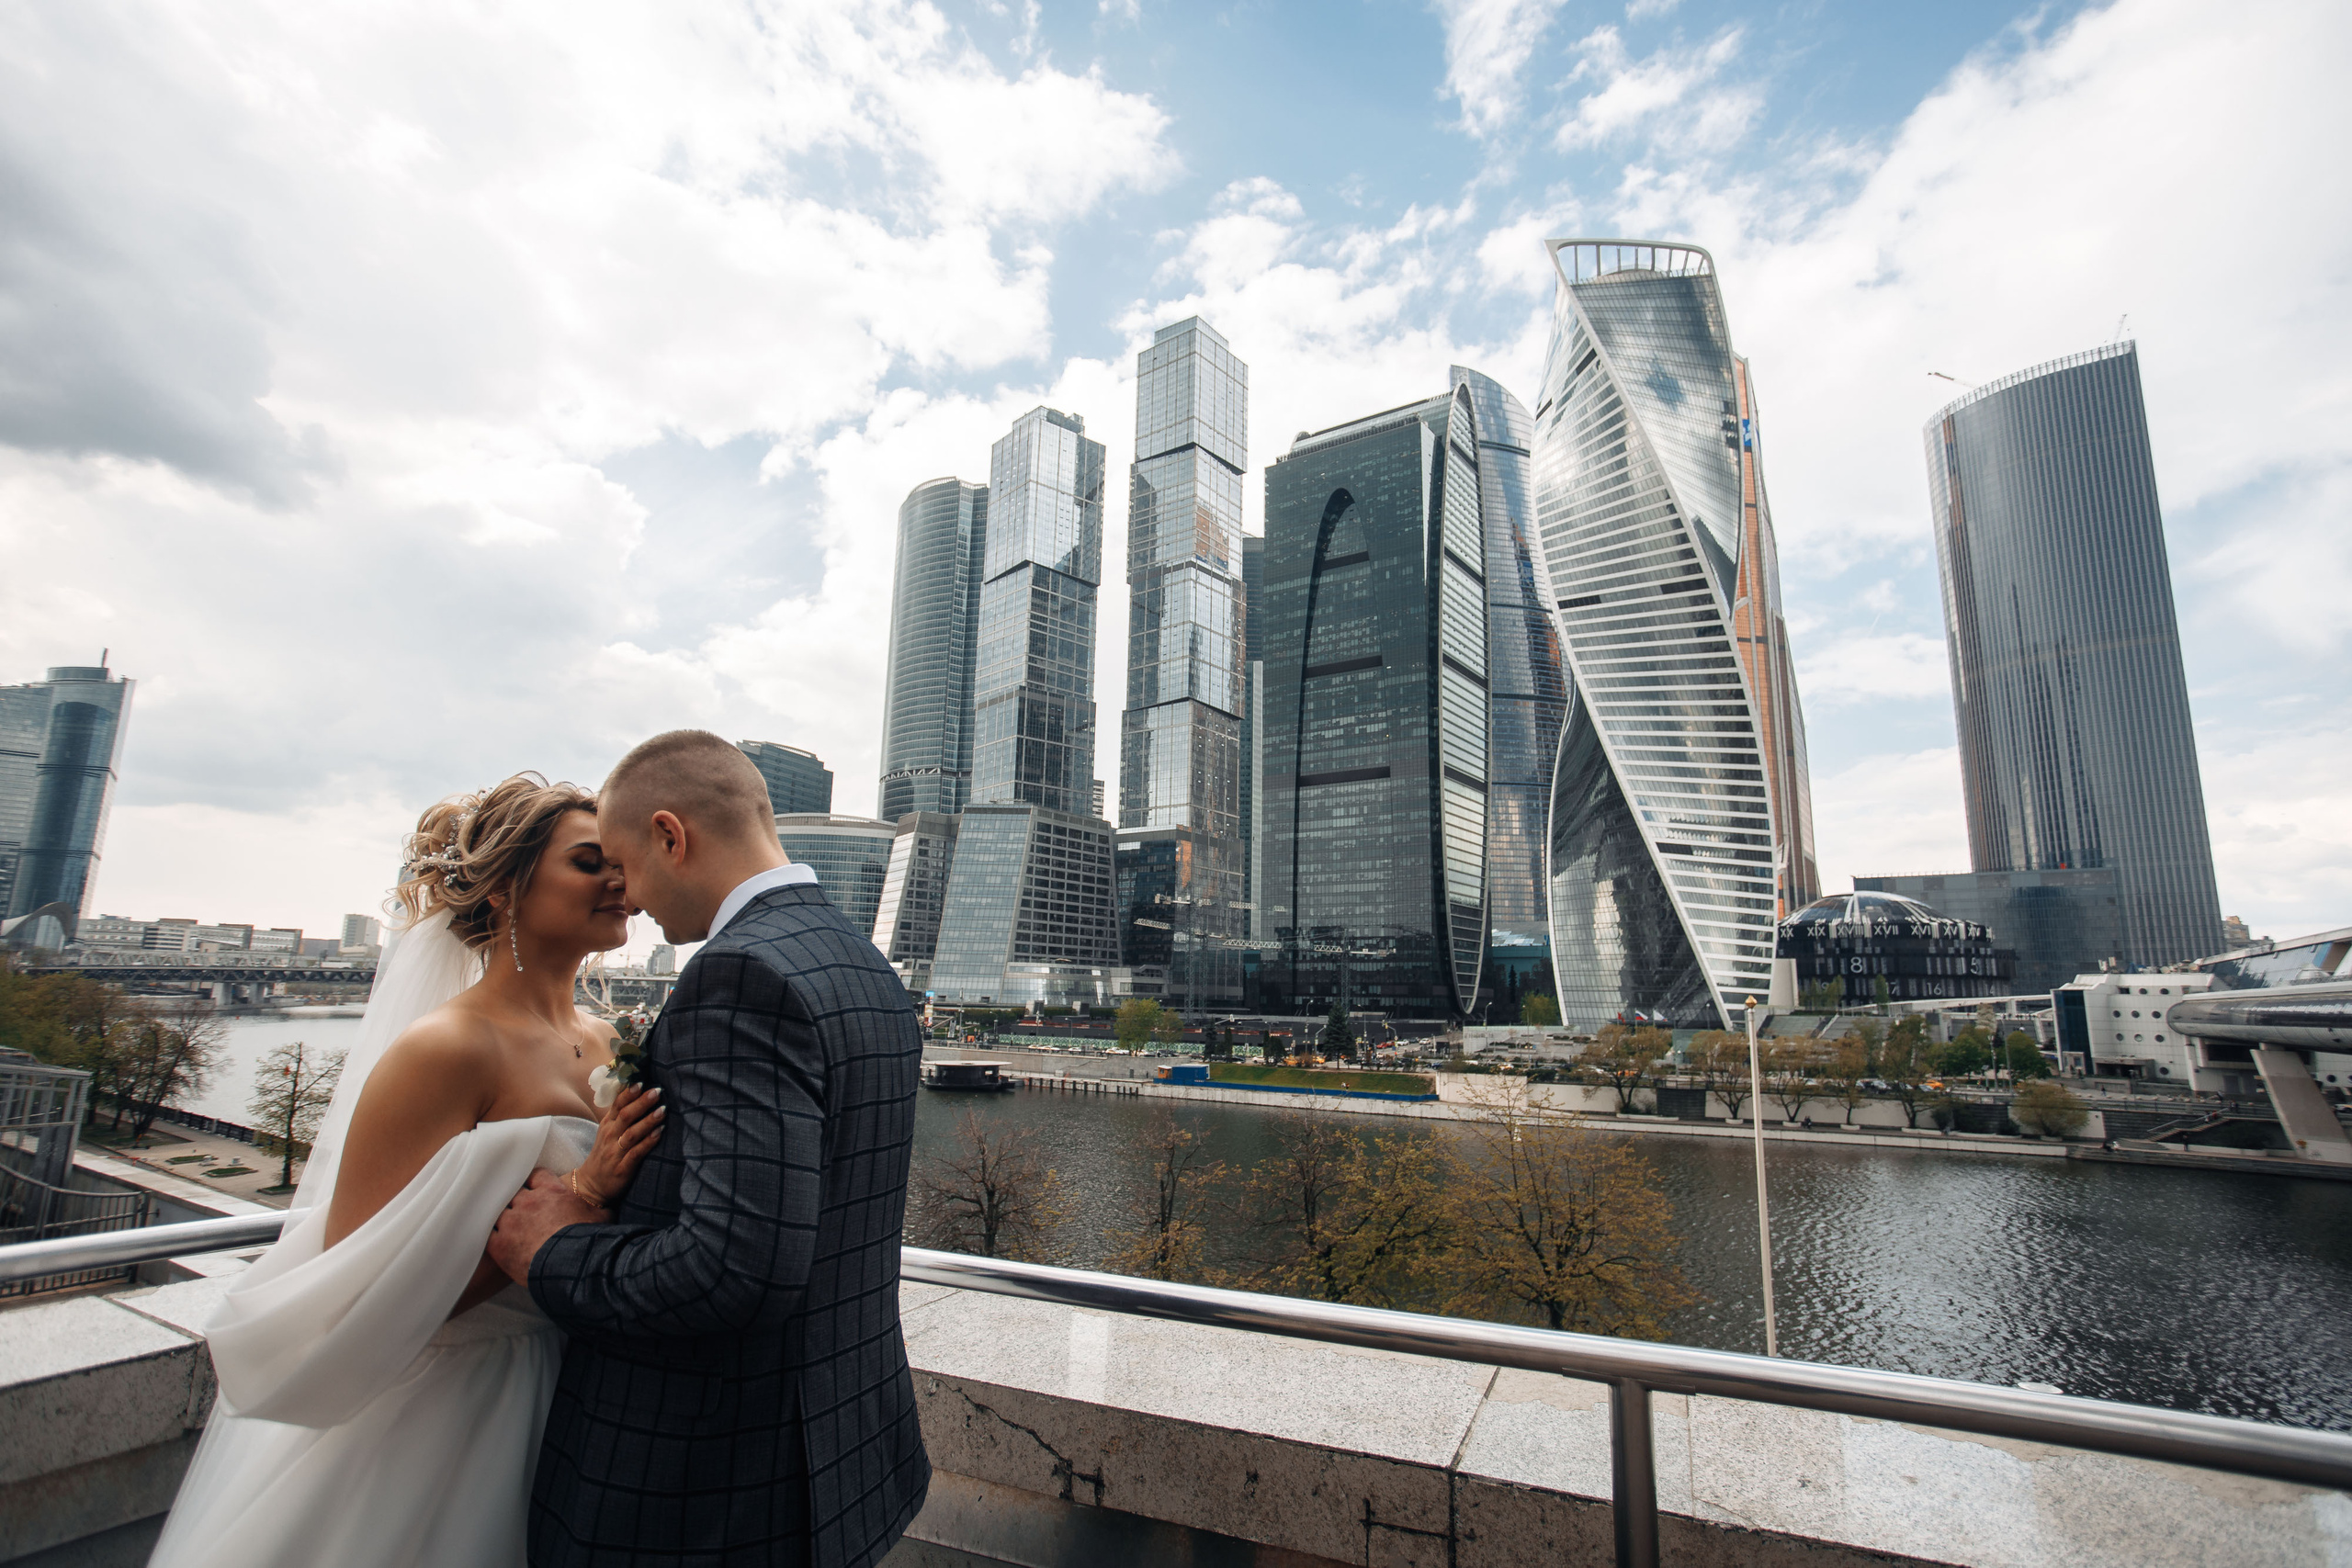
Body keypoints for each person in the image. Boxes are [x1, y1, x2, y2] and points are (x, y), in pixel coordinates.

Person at [150, 776, 668, 1568]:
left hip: (579, 1393)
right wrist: (581, 1194)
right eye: (588, 861)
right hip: (446, 1406)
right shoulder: (446, 1048)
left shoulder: (607, 1042)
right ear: (504, 889)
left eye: (620, 863)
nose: (620, 882)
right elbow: (357, 1292)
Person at [488, 729, 930, 1568]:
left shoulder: (740, 974)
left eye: (626, 866)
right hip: (839, 1461)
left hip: (706, 1494)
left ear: (670, 835)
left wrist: (552, 1252)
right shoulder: (865, 964)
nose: (629, 898)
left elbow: (734, 1265)